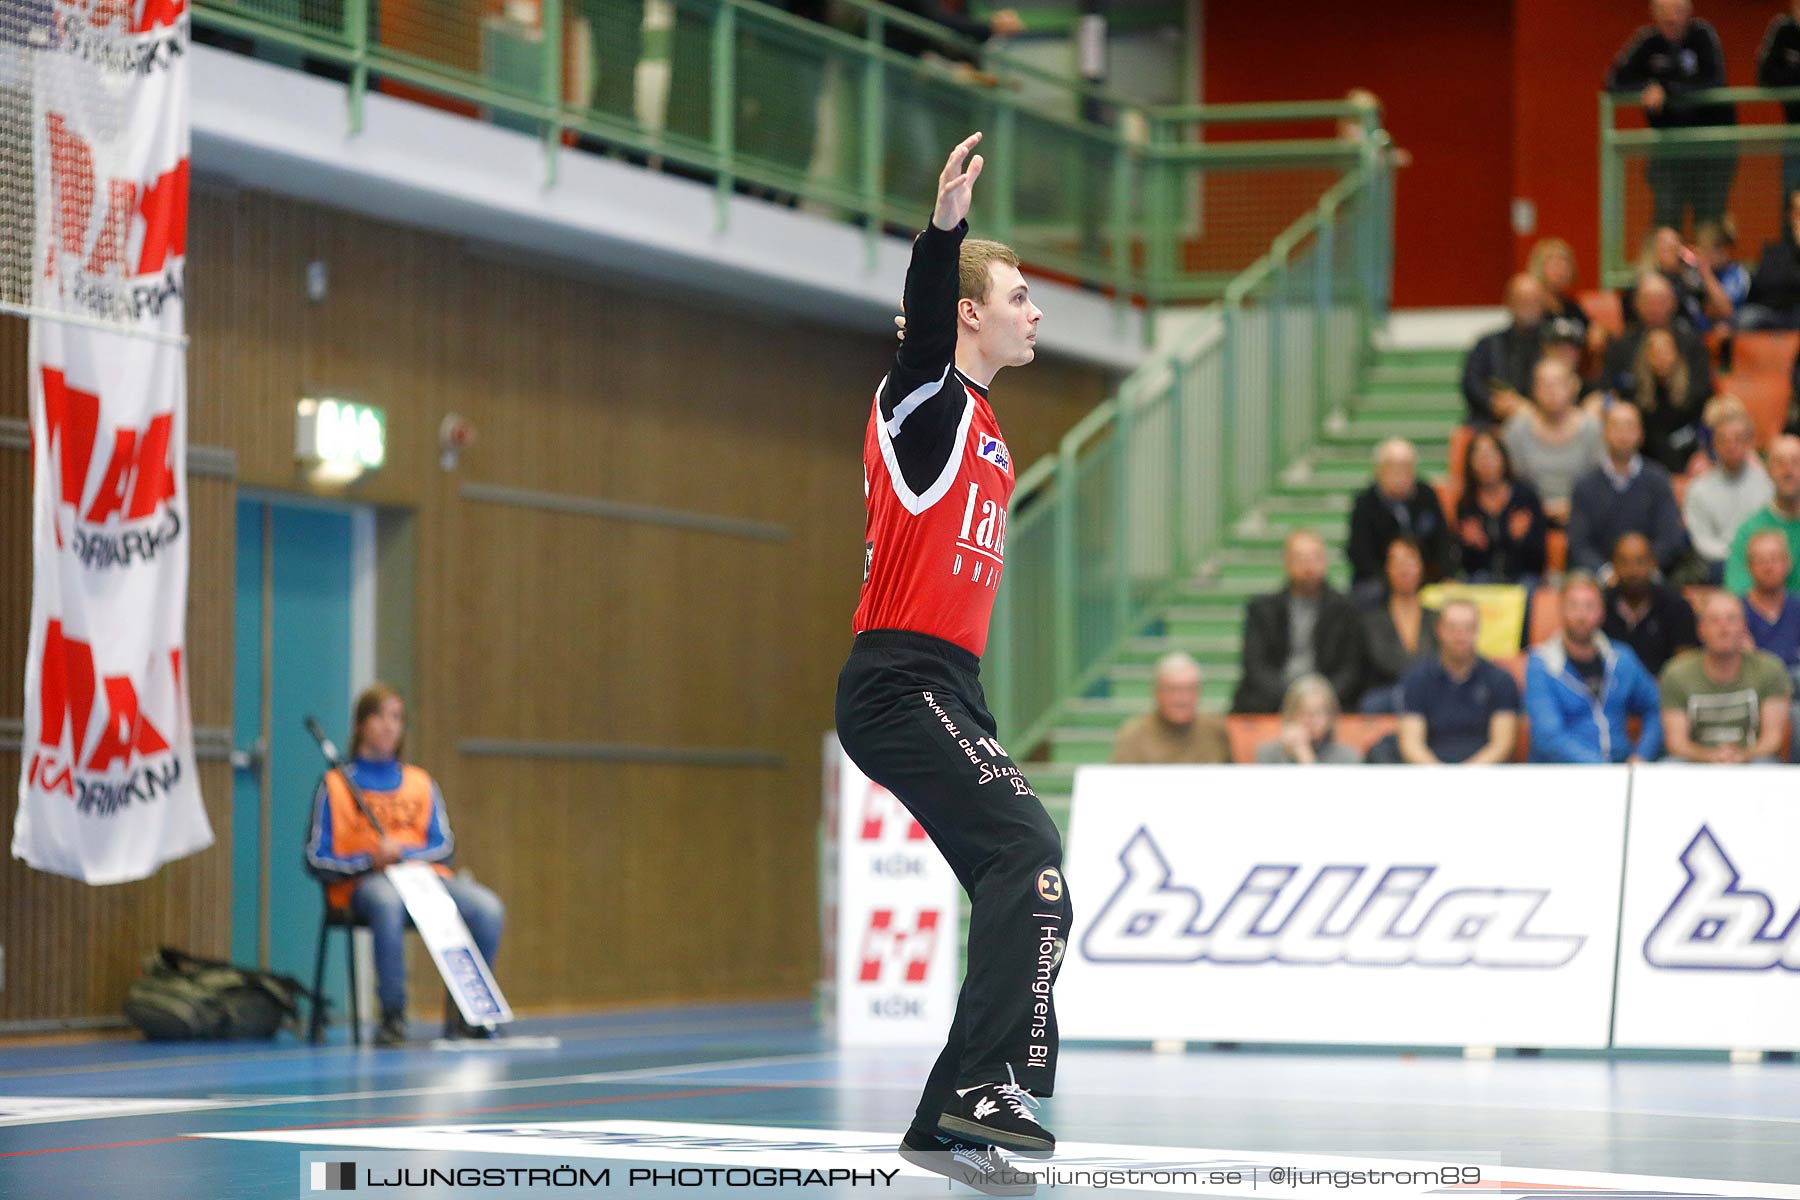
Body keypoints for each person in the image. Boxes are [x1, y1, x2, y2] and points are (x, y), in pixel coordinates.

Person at [832, 134, 1067, 1179]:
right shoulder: (922, 403)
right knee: (1030, 850)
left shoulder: (988, 425)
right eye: (1018, 296)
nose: (1035, 311)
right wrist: (945, 233)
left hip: (949, 686)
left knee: (1016, 876)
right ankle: (984, 1087)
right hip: (897, 679)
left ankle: (943, 1114)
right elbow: (925, 332)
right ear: (970, 312)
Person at [305, 684, 505, 1047]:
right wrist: (370, 860)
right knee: (387, 902)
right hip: (366, 886)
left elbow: (444, 848)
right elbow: (316, 859)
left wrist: (405, 856)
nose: (388, 725)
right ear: (361, 725)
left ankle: (469, 1015)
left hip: (424, 881)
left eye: (396, 717)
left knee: (487, 908)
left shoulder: (420, 783)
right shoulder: (335, 785)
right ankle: (393, 1017)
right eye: (380, 716)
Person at [1605, 0, 1736, 234]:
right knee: (1666, 219)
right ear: (1654, 14)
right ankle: (1666, 269)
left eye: (1677, 10)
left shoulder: (1703, 36)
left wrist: (1666, 89)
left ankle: (1705, 270)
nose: (1671, 18)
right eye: (1664, 11)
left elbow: (1713, 79)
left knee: (1708, 224)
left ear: (1688, 12)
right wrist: (1647, 86)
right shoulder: (1647, 42)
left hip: (1710, 150)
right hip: (1668, 150)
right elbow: (1614, 81)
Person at [1525, 573, 1664, 763]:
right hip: (1562, 774)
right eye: (1573, 606)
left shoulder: (1621, 658)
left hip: (1621, 769)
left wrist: (1642, 755)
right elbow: (1548, 737)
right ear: (1561, 609)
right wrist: (1602, 770)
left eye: (1590, 606)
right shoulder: (1541, 663)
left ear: (1602, 612)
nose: (1581, 615)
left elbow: (1655, 706)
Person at [1233, 529, 1366, 714]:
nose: (1308, 566)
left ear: (1325, 561)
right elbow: (1256, 666)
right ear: (1287, 563)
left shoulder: (1345, 609)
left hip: (1329, 696)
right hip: (1274, 697)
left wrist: (1320, 698)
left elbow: (1351, 668)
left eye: (1314, 558)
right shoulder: (1262, 609)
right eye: (1300, 558)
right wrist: (1291, 699)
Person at [1659, 592, 1792, 763]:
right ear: (1701, 629)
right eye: (1714, 620)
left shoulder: (1770, 669)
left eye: (1732, 619)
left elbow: (1773, 739)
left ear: (1744, 627)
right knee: (1669, 766)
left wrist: (1742, 756)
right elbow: (1676, 743)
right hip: (1695, 762)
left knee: (1767, 765)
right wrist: (1710, 757)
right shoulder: (1676, 673)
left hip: (1752, 760)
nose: (1724, 628)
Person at [1568, 403, 1689, 576]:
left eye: (1629, 426)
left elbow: (1670, 537)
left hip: (1650, 577)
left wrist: (1644, 568)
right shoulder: (1585, 485)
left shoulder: (1658, 479)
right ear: (1604, 433)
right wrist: (1606, 573)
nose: (1623, 433)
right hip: (1599, 579)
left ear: (1641, 433)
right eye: (1616, 426)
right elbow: (1579, 544)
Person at [1397, 599, 1521, 765]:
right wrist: (1441, 777)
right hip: (1430, 776)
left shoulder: (1501, 679)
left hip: (1485, 776)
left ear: (1477, 630)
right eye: (1452, 628)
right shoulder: (1418, 679)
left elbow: (1502, 744)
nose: (1460, 635)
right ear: (1439, 630)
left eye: (1468, 628)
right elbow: (1411, 744)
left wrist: (1464, 777)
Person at [1346, 437, 1452, 604]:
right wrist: (1395, 578)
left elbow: (1442, 542)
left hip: (1424, 578)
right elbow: (1360, 554)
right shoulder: (1365, 503)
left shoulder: (1426, 495)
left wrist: (1443, 574)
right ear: (1379, 470)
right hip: (1380, 579)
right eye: (1393, 467)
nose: (1400, 474)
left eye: (1406, 467)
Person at [1503, 357, 1604, 526]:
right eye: (1544, 384)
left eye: (1558, 383)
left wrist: (1573, 506)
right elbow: (1509, 482)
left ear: (1573, 387)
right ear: (1534, 390)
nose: (1552, 391)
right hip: (1529, 516)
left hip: (1586, 514)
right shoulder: (1516, 430)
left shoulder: (1593, 428)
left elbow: (1602, 480)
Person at [1683, 399, 1771, 581]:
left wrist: (1754, 557)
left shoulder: (1768, 485)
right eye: (1724, 440)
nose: (1731, 445)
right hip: (1717, 563)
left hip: (1762, 560)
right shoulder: (1698, 488)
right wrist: (1735, 555)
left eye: (1738, 439)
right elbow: (1701, 540)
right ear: (1714, 444)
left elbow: (1771, 531)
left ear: (1749, 442)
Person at [1600, 274, 1714, 401]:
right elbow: (1607, 388)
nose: (1655, 307)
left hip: (1684, 413)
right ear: (1636, 303)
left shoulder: (1692, 343)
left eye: (1661, 300)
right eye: (1648, 301)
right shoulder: (1620, 346)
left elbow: (1704, 390)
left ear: (1673, 303)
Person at [1358, 537, 1439, 714]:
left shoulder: (1437, 618)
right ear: (1387, 568)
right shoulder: (1372, 619)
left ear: (1421, 567)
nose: (1404, 569)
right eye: (1397, 562)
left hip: (1431, 692)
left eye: (1410, 561)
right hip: (1387, 693)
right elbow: (1379, 661)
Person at [1455, 429, 1547, 583]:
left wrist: (1521, 539)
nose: (1486, 462)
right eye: (1479, 456)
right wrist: (1470, 546)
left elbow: (1539, 559)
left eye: (1491, 455)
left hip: (1522, 575)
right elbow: (1464, 565)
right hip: (1483, 577)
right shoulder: (1466, 504)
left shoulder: (1525, 497)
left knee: (1528, 585)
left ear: (1503, 458)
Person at [1602, 531, 1699, 675]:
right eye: (1624, 562)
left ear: (1652, 563)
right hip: (1611, 691)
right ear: (1613, 566)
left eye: (1640, 561)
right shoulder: (1600, 605)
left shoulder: (1676, 606)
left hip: (1664, 690)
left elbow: (1685, 666)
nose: (1632, 571)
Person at [1111, 652, 1231, 764]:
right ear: (1157, 693)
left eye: (1189, 689)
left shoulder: (1216, 731)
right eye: (1173, 689)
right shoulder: (1133, 737)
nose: (1182, 699)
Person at [1461, 274, 1546, 428]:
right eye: (1522, 299)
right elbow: (1471, 382)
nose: (1529, 305)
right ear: (1509, 303)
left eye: (1534, 299)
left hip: (1545, 422)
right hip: (1493, 423)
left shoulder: (1555, 345)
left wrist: (1531, 408)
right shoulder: (1487, 344)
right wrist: (1494, 402)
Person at [1624, 326, 1709, 474]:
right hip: (1649, 468)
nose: (1661, 358)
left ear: (1677, 354)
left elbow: (1703, 430)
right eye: (1655, 352)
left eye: (1666, 351)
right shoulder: (1634, 395)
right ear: (1645, 357)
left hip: (1690, 463)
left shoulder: (1695, 392)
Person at [1725, 434, 1800, 595]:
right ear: (1768, 471)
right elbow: (1737, 589)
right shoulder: (1750, 530)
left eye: (1796, 461)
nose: (1788, 471)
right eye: (1779, 463)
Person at [1255, 674, 1361, 764]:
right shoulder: (1268, 754)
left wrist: (1305, 757)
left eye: (1317, 713)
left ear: (1330, 717)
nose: (1310, 721)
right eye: (1303, 712)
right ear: (1289, 714)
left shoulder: (1347, 758)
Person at [1756, 4, 1800, 213]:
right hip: (1794, 131)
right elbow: (1765, 75)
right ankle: (1792, 246)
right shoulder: (1783, 30)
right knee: (1792, 199)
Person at [1742, 189, 1800, 331]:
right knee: (1746, 318)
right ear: (1789, 216)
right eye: (1798, 213)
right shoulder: (1774, 252)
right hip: (1774, 314)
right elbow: (1766, 285)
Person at [1743, 529, 1800, 669]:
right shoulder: (1736, 612)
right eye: (1761, 561)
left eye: (1774, 559)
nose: (1768, 567)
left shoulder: (1797, 607)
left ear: (1788, 563)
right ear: (1749, 566)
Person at [1528, 237, 1594, 352]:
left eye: (1566, 264)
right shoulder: (1532, 308)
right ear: (1539, 268)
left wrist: (1598, 329)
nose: (1561, 270)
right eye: (1555, 264)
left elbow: (1590, 329)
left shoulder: (1572, 307)